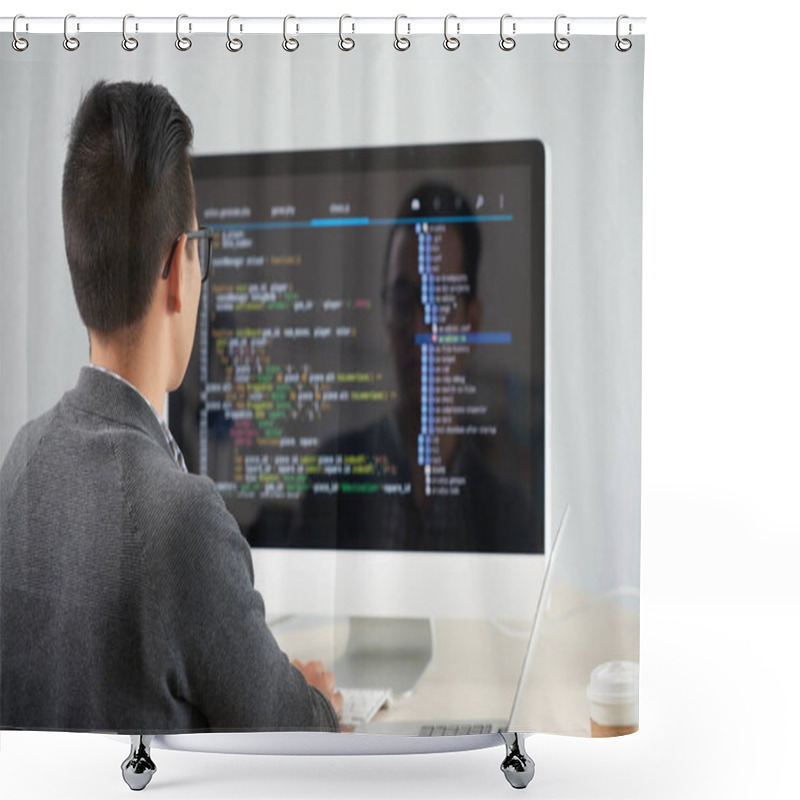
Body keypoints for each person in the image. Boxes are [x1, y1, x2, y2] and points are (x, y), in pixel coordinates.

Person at [0, 80, 341, 733]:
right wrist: (318, 696)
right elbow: (302, 737)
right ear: (179, 269)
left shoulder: (19, 463)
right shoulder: (183, 522)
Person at [292, 182, 542, 553]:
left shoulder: (512, 517)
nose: (419, 329)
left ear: (471, 326)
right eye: (402, 300)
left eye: (438, 302)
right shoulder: (332, 476)